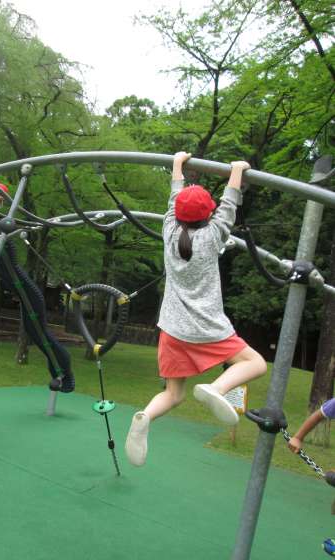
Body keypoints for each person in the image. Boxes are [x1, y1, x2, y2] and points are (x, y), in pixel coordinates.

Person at [125, 151, 268, 467]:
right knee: (256, 363)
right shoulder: (214, 234)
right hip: (206, 327)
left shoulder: (168, 231)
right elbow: (229, 203)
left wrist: (177, 163)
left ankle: (145, 416)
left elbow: (177, 196)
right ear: (209, 215)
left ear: (176, 214)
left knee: (173, 394)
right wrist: (237, 169)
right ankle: (216, 388)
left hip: (173, 329)